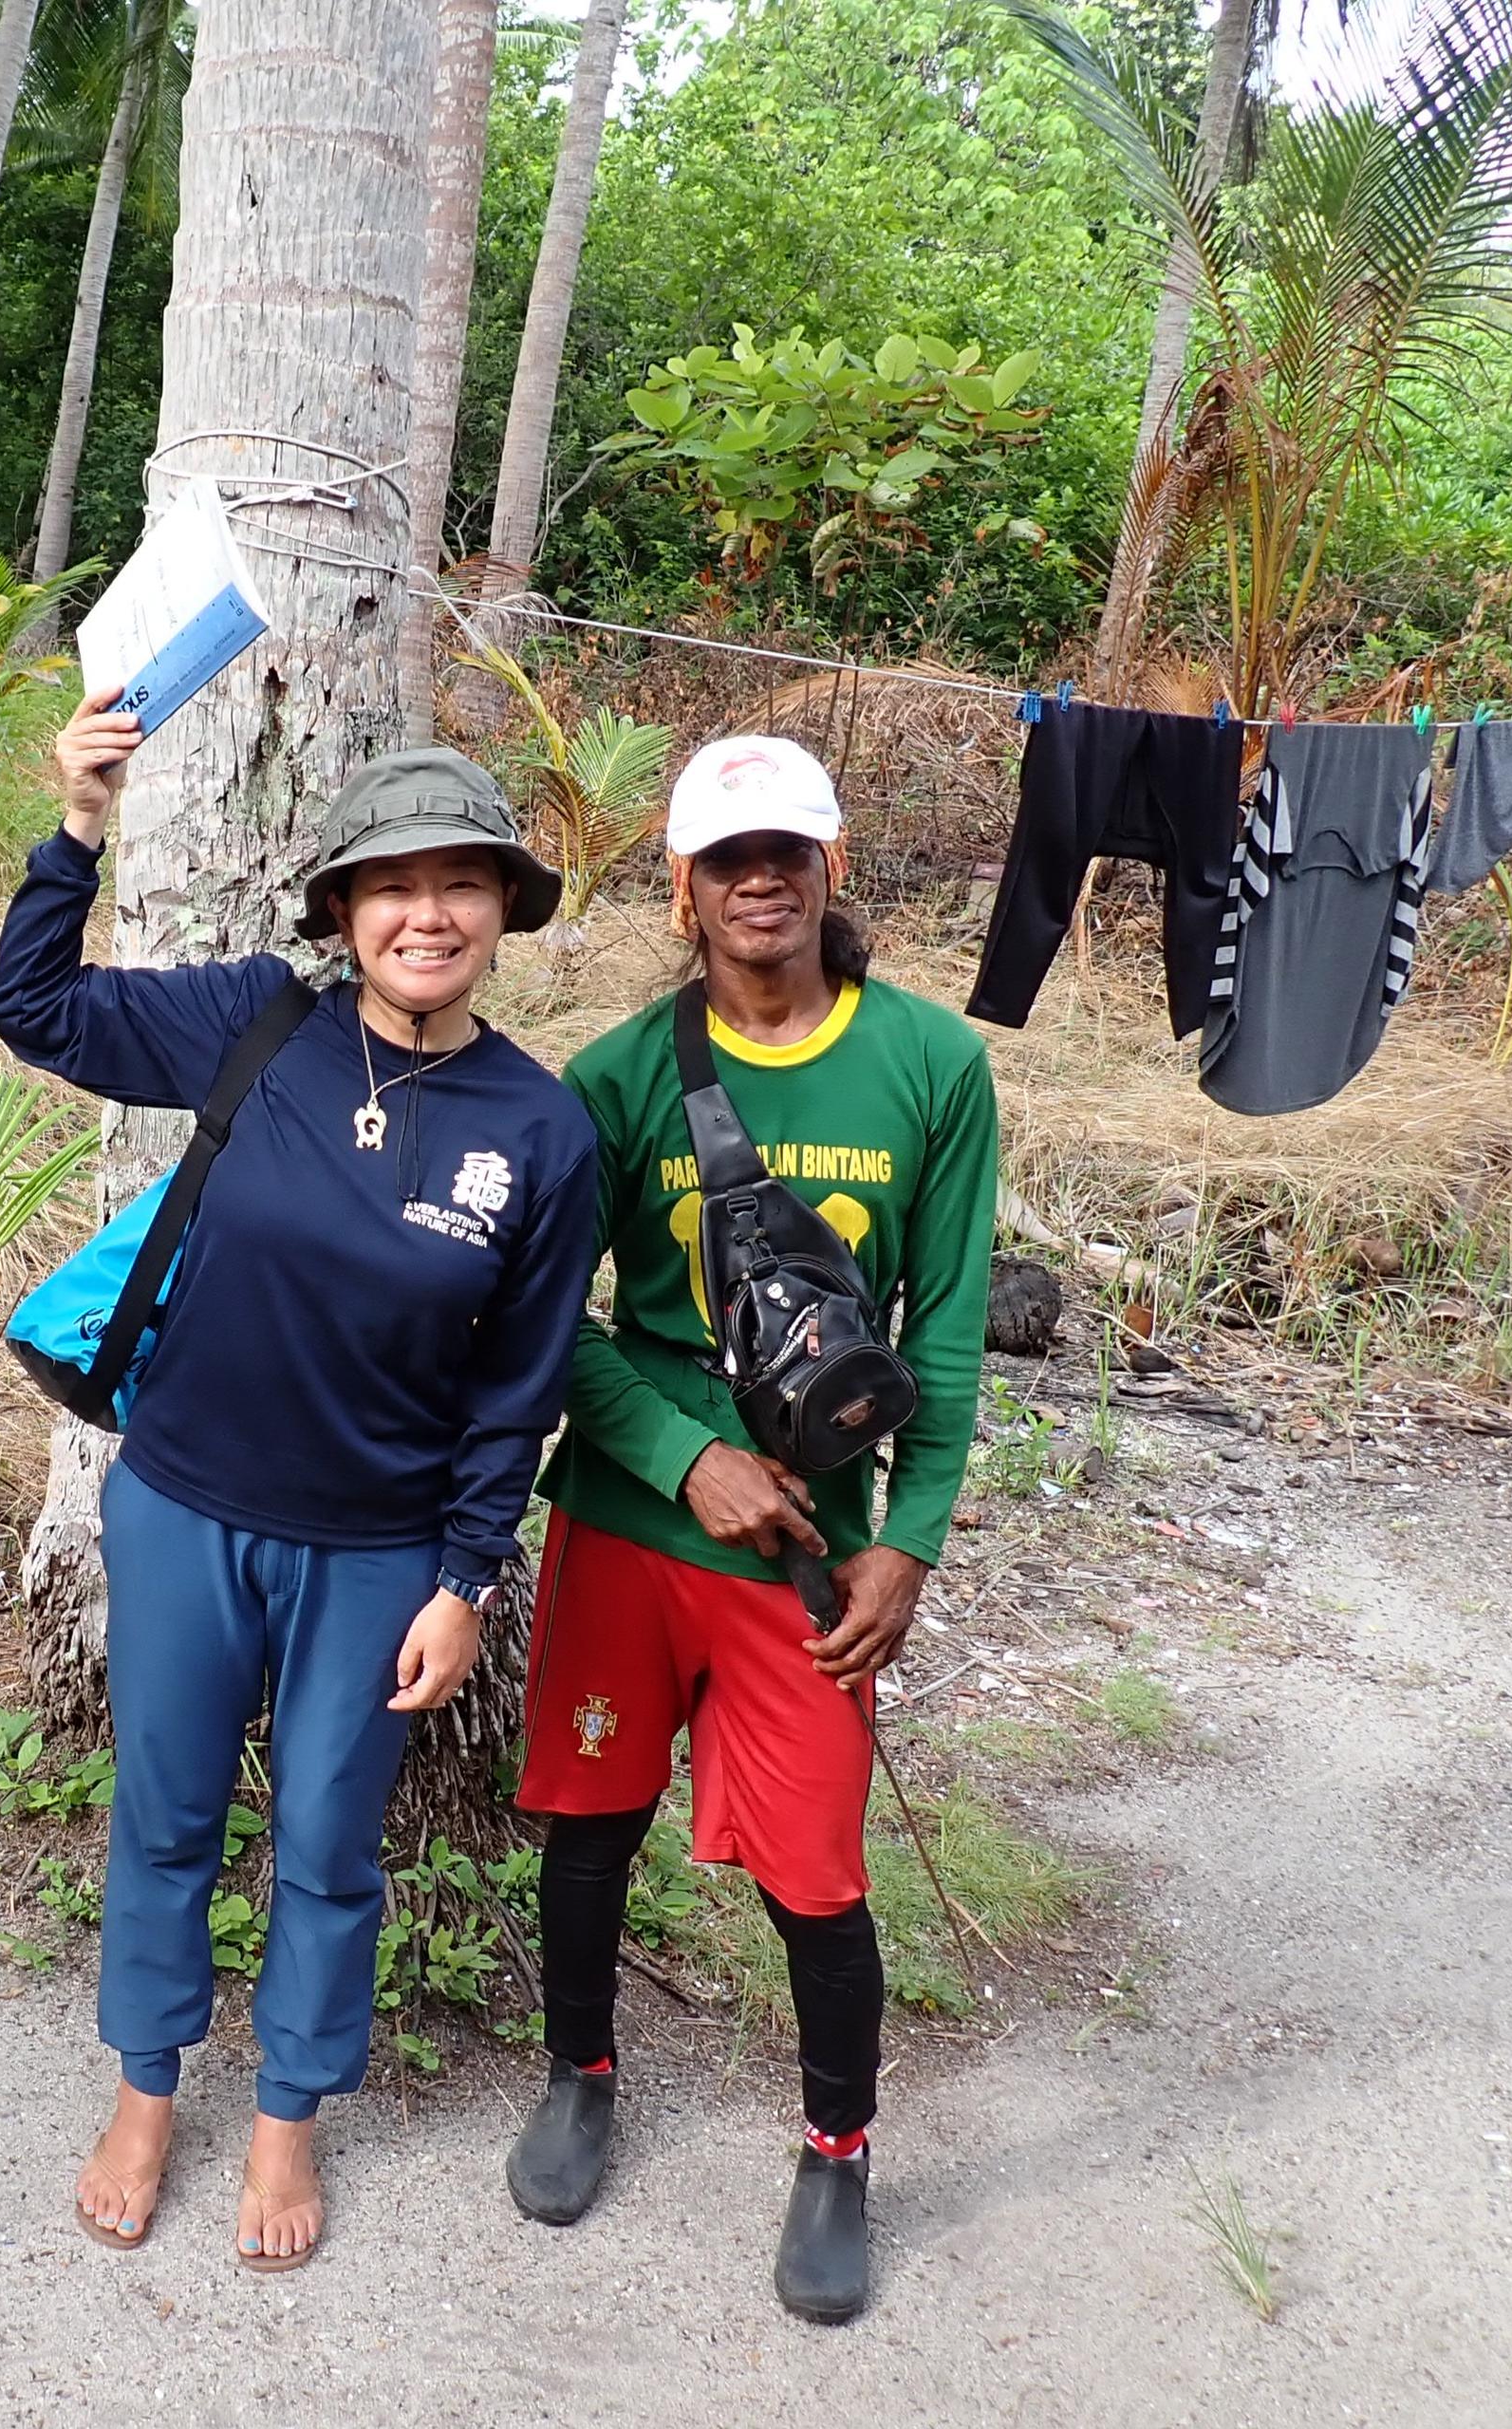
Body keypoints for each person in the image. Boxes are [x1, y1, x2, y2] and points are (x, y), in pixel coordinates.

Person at [0, 702, 596, 2272]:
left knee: (331, 1846)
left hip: (380, 1551)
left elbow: (518, 1392)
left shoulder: (540, 1128)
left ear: (502, 913)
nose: (429, 914)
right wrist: (77, 829)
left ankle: (289, 2116)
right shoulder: (257, 1024)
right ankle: (144, 2091)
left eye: (465, 883)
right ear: (341, 907)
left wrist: (466, 1581)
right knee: (165, 1817)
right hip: (184, 1505)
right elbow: (37, 1009)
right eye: (394, 883)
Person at [507, 734, 997, 2325]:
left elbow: (948, 1326)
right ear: (682, 886)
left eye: (786, 848)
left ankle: (838, 2150)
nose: (758, 878)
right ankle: (580, 2072)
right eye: (726, 857)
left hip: (816, 1558)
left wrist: (906, 1541)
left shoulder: (930, 1064)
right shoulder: (617, 1079)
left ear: (831, 867)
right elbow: (546, 1322)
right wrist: (675, 1453)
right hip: (633, 1530)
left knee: (814, 1876)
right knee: (588, 1826)